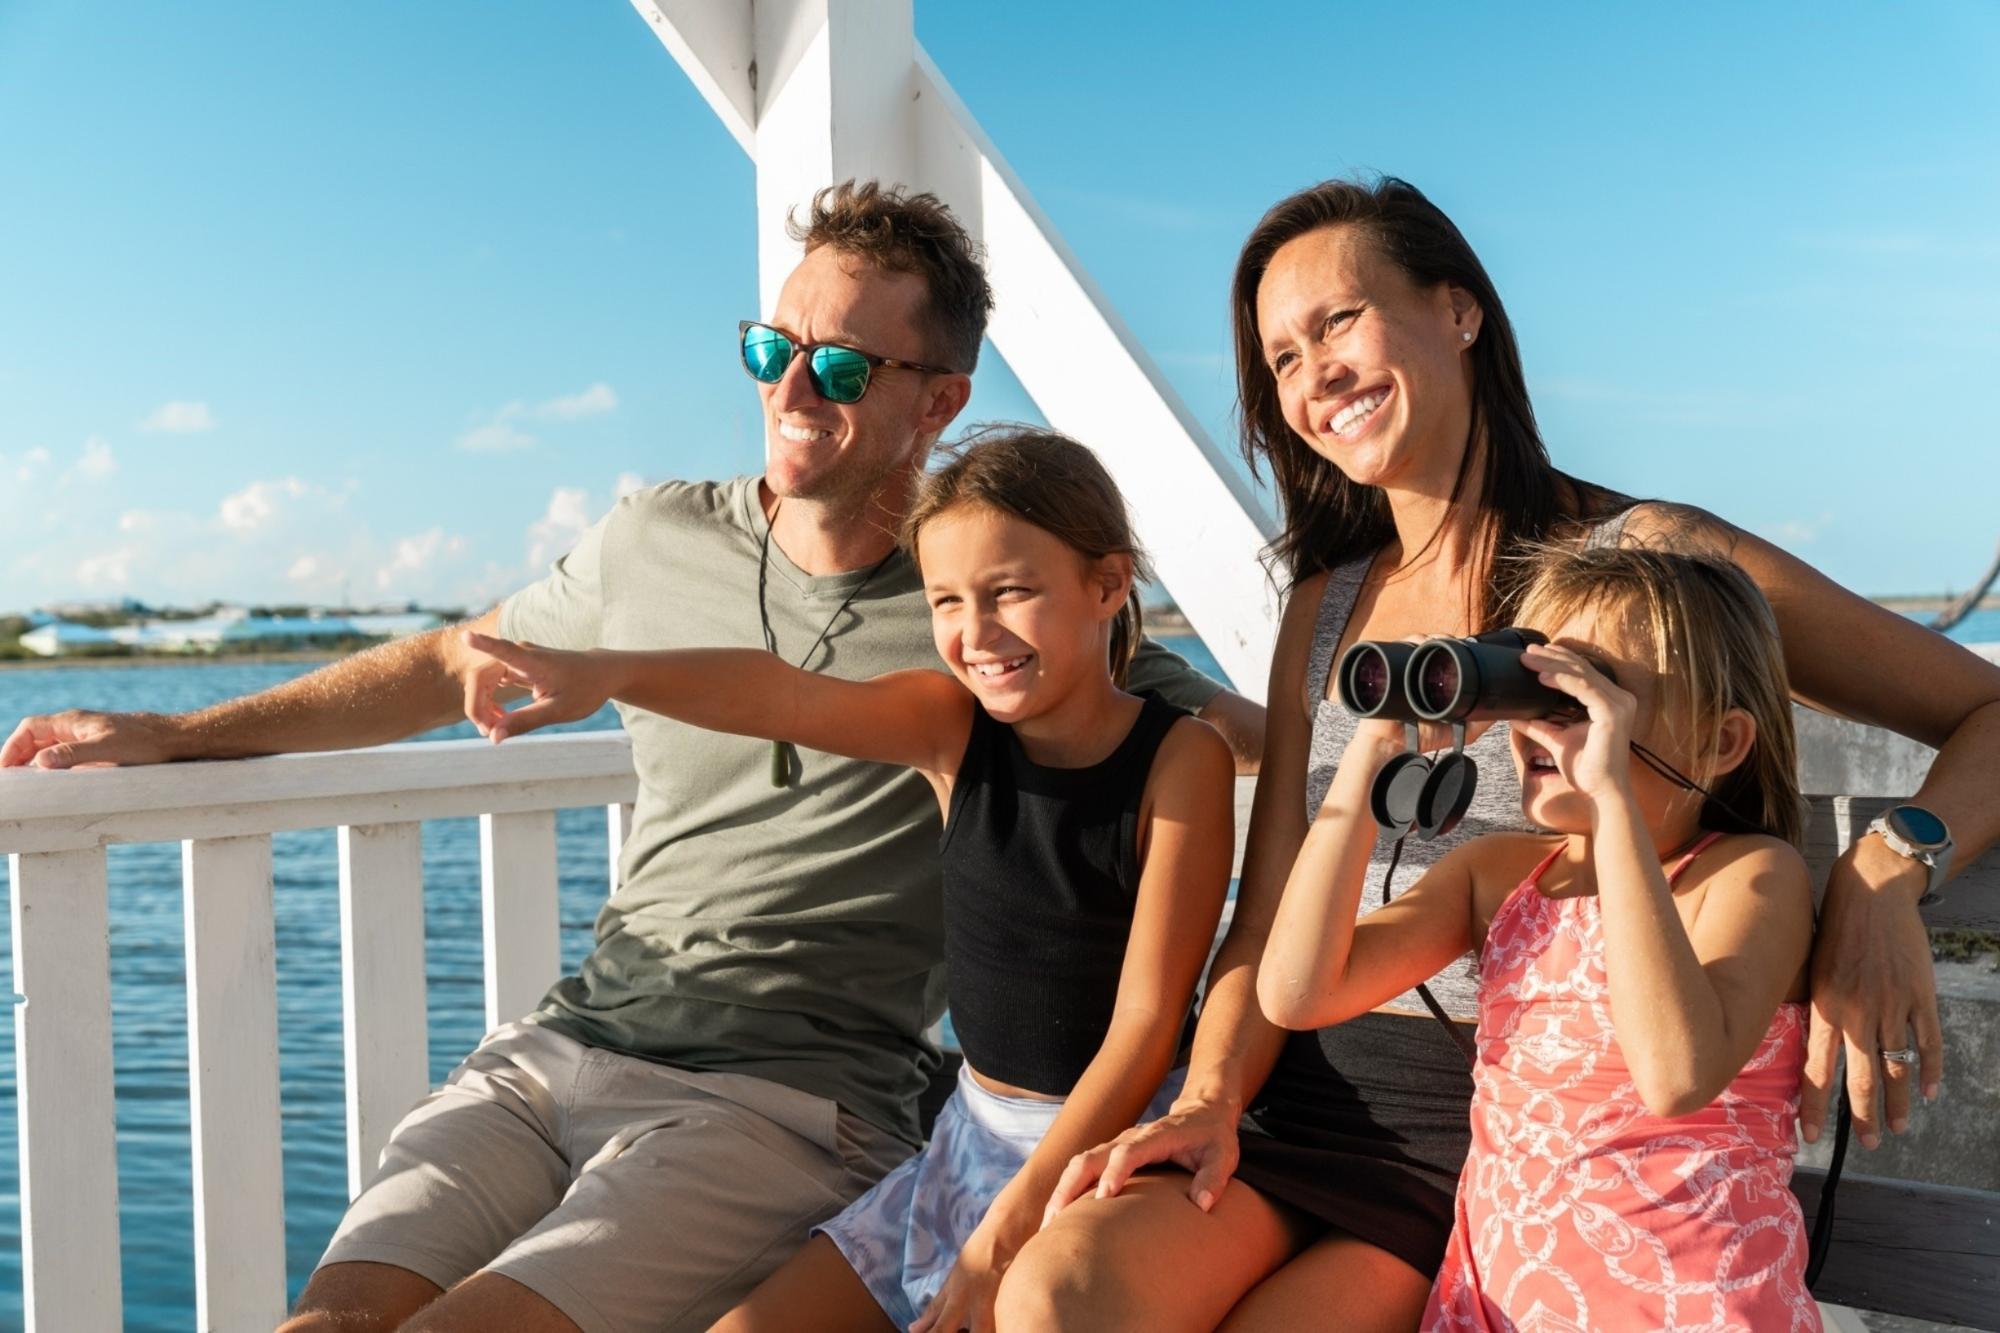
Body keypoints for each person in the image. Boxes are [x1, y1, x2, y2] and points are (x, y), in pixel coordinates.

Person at [0, 182, 1263, 1333]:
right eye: (769, 350)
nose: (790, 390)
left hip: (785, 1102)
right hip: (559, 1049)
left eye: (837, 366)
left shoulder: (1002, 626)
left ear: (938, 400)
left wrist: (1388, 740)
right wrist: (175, 733)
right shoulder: (651, 538)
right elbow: (450, 661)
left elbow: (1246, 736)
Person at [999, 176, 2000, 1332]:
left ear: (1458, 310)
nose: (1312, 373)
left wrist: (1883, 868)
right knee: (1060, 1295)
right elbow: (1266, 910)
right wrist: (1211, 1094)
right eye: (1279, 358)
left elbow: (1982, 709)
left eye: (1336, 321)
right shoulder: (1324, 608)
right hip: (1301, 1095)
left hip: (1500, 1135)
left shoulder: (1645, 570)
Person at [460, 428, 1235, 1333]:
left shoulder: (1182, 759)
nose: (975, 633)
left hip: (1101, 1155)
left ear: (1107, 584)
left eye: (1010, 592)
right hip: (965, 1145)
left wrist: (1002, 1233)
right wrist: (608, 672)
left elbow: (1145, 1026)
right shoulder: (954, 729)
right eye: (946, 600)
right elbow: (780, 693)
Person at [1259, 545, 1819, 1331]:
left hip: (1690, 1309)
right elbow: (1298, 991)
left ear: (1721, 742)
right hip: (1497, 1306)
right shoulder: (1495, 876)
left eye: (1586, 691)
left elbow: (1675, 1075)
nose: (1543, 717)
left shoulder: (1749, 877)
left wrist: (1612, 795)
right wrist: (1371, 751)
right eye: (1534, 682)